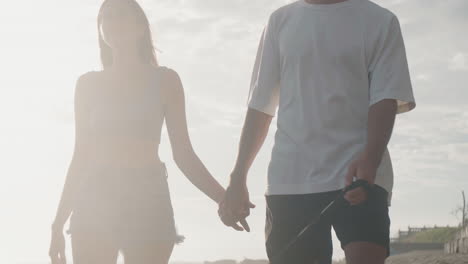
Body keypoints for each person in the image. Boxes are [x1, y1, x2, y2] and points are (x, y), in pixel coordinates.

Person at [218, 0, 416, 263]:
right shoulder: (280, 21)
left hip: (360, 174)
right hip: (291, 180)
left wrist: (371, 157)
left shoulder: (380, 21)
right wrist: (238, 176)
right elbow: (260, 107)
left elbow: (386, 97)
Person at [48, 0, 225, 263]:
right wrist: (57, 224)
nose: (113, 22)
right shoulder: (87, 85)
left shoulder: (166, 80)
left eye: (121, 15)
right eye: (106, 17)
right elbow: (81, 156)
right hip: (95, 197)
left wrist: (224, 198)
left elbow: (184, 153)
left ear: (140, 26)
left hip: (148, 196)